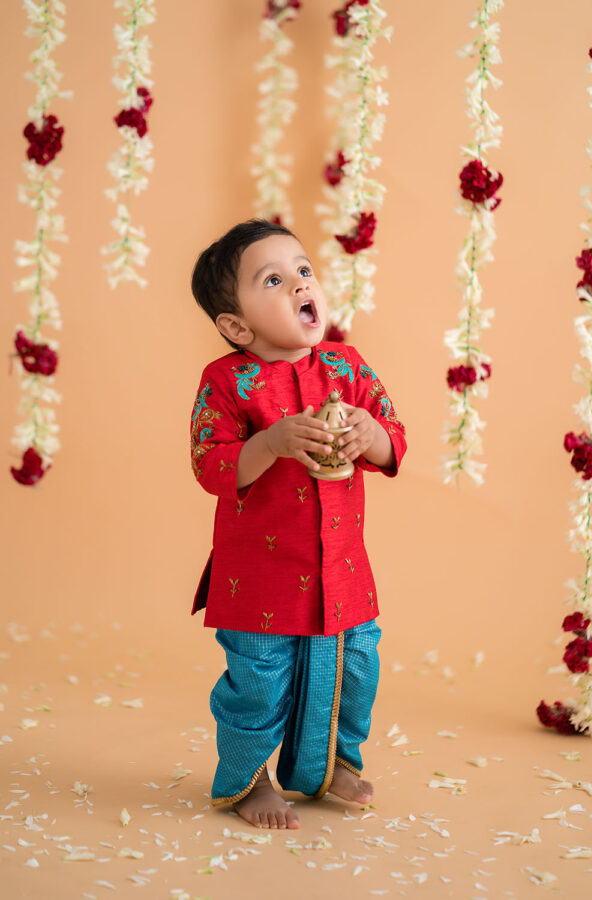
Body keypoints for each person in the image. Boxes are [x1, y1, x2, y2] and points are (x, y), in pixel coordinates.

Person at [190, 219, 407, 829]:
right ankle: (246, 778)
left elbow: (395, 438)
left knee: (354, 668)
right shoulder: (226, 382)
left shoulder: (350, 368)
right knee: (259, 681)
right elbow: (210, 464)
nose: (299, 285)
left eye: (303, 270)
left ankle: (330, 764)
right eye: (274, 280)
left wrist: (374, 436)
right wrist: (272, 442)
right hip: (257, 577)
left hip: (341, 570)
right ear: (236, 326)